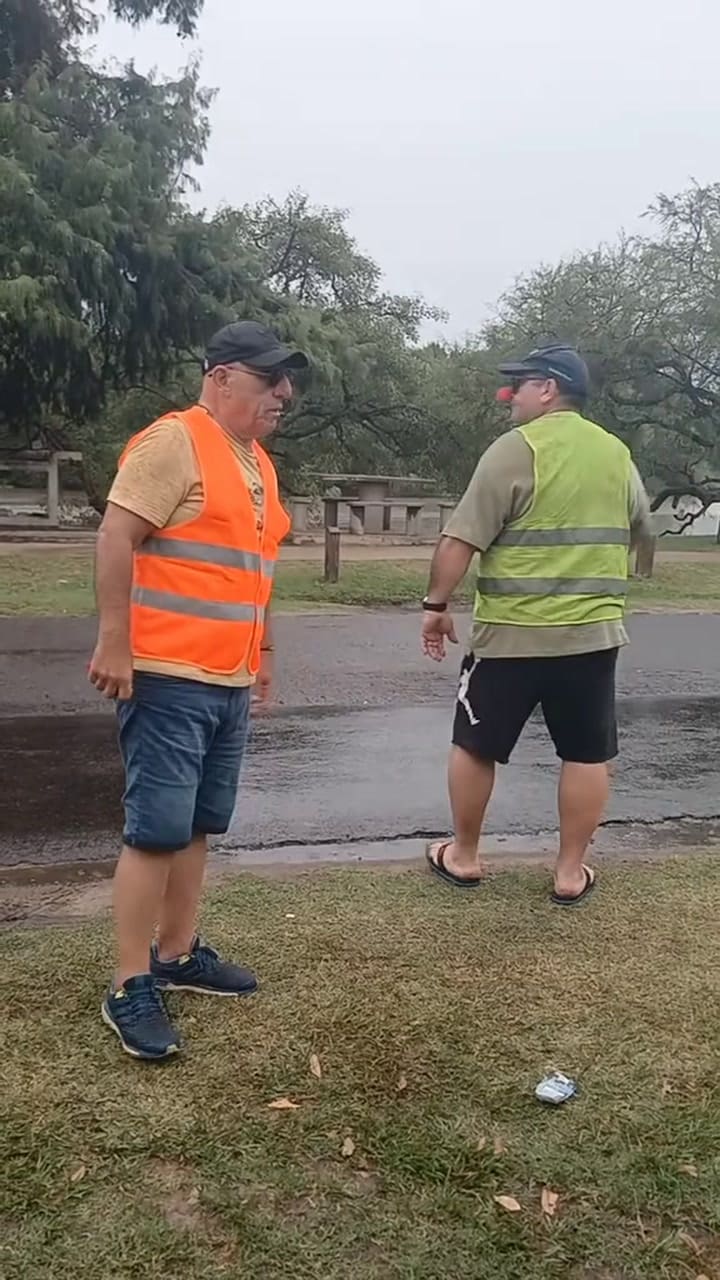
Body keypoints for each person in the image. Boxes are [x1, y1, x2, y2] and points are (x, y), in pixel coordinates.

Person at [89, 320, 308, 1060]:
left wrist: (266, 650)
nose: (284, 393)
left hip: (229, 678)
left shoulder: (256, 462)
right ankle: (128, 985)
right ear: (220, 377)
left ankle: (176, 954)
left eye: (286, 382)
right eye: (268, 379)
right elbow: (116, 536)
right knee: (154, 829)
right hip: (167, 675)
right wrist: (114, 641)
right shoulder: (174, 441)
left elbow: (257, 564)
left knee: (197, 823)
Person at [421, 344, 652, 905]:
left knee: (475, 744)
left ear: (548, 389)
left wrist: (435, 604)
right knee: (586, 751)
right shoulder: (616, 453)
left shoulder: (514, 450)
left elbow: (461, 537)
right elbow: (643, 530)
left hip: (511, 633)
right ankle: (570, 873)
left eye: (519, 385)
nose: (511, 396)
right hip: (592, 636)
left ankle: (466, 856)